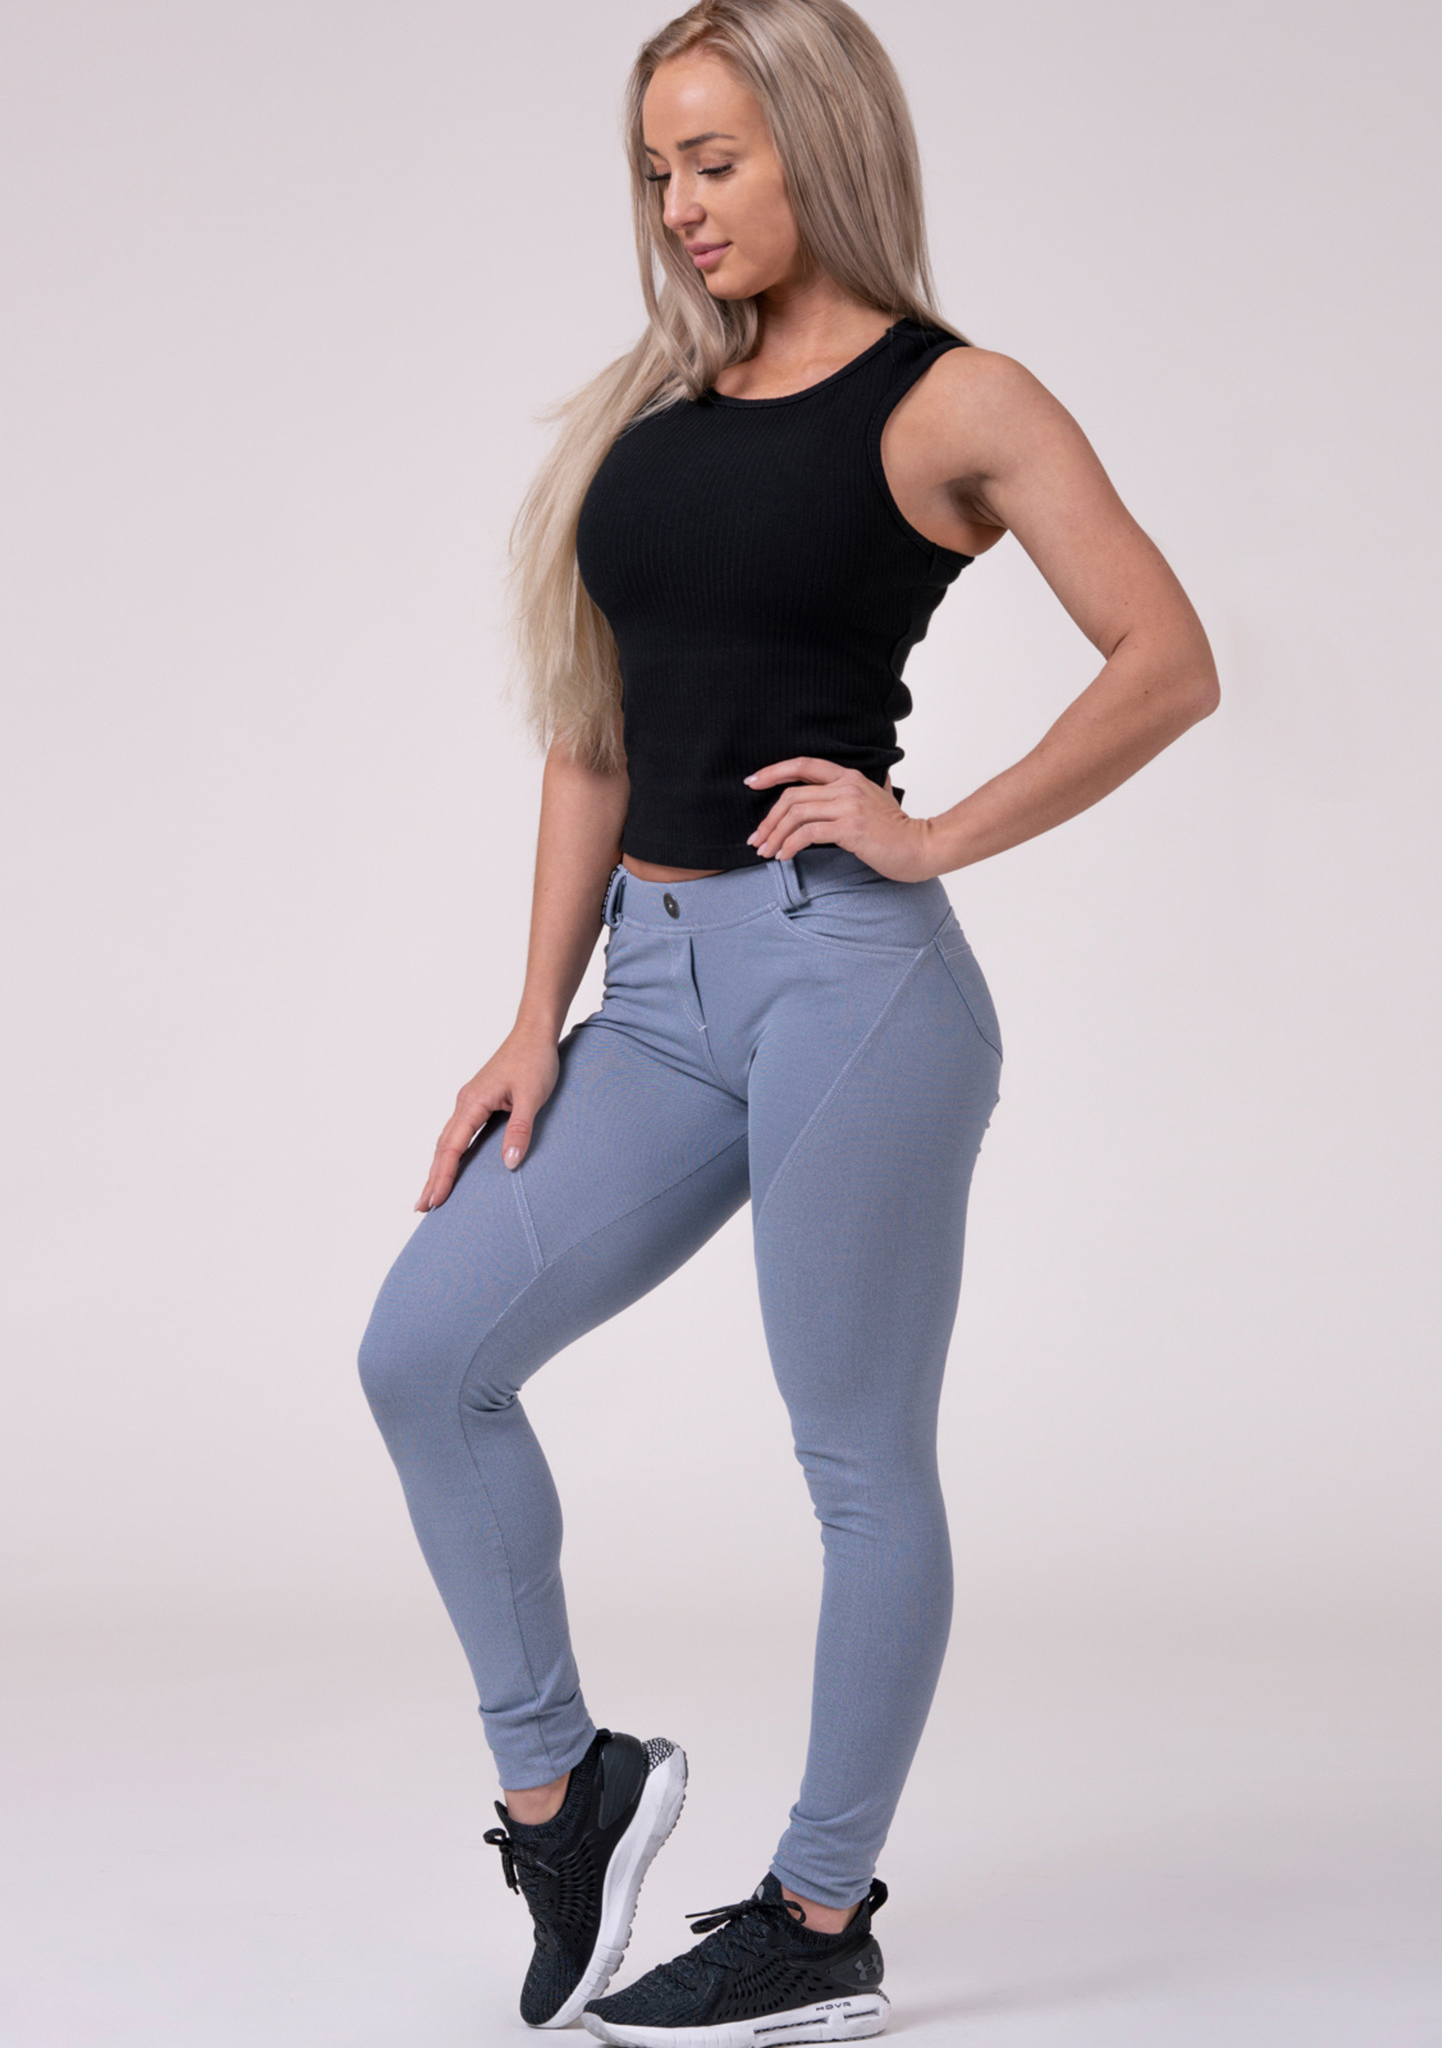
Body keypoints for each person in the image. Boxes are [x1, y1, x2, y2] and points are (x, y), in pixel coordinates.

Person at [357, 0, 1219, 2039]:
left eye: (716, 160)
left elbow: (1165, 658)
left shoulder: (953, 399)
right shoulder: (652, 425)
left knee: (854, 1460)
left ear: (819, 147)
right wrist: (533, 1016)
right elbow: (594, 735)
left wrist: (935, 833)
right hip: (651, 995)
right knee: (424, 1353)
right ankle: (566, 1795)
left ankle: (822, 1917)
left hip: (851, 982)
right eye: (657, 168)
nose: (679, 204)